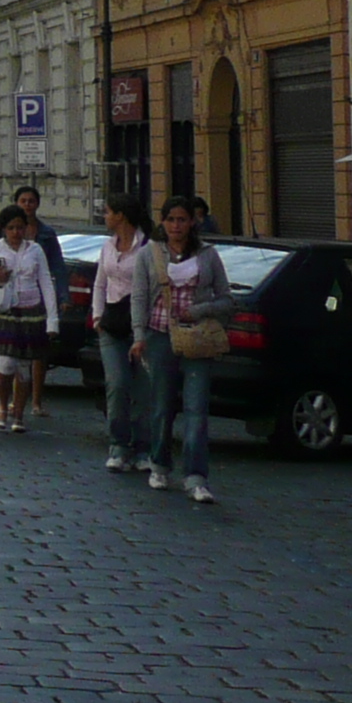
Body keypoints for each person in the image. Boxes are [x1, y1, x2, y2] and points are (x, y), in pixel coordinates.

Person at [150, 195, 232, 504]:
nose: (176, 225)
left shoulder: (208, 256)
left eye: (182, 219)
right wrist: (138, 336)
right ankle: (159, 464)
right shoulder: (153, 253)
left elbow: (226, 299)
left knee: (196, 409)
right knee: (161, 404)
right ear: (163, 222)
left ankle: (196, 476)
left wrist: (198, 311)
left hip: (197, 338)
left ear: (192, 222)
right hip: (160, 334)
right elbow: (139, 296)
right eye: (171, 219)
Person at [91, 195, 163, 475]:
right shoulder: (108, 247)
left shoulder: (149, 248)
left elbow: (156, 288)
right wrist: (97, 316)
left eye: (108, 212)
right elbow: (100, 283)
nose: (105, 217)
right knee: (117, 384)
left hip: (143, 327)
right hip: (112, 325)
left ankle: (143, 448)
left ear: (121, 216)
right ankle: (118, 446)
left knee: (143, 391)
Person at [0, 205, 55, 433]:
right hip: (4, 312)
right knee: (5, 362)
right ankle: (2, 405)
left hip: (30, 311)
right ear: (3, 229)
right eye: (11, 228)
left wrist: (52, 320)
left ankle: (18, 413)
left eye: (20, 227)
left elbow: (46, 283)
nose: (16, 232)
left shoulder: (35, 250)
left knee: (24, 365)